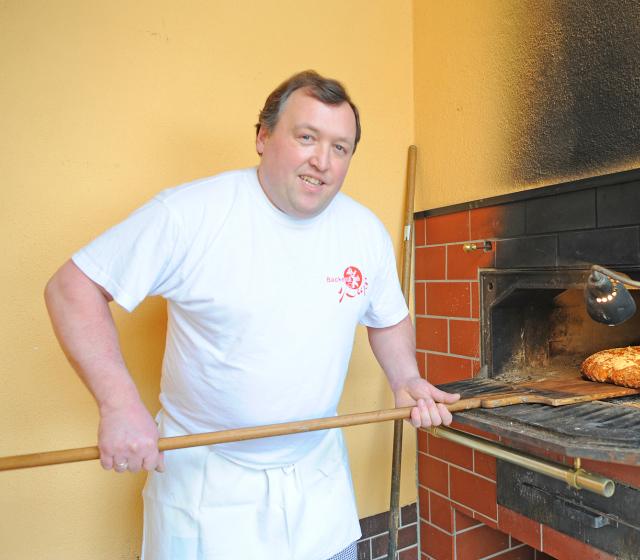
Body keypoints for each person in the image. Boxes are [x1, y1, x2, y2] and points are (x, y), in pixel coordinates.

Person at [44, 70, 459, 560]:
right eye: (307, 137)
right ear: (263, 137)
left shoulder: (362, 231)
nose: (322, 161)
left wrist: (405, 376)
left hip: (316, 485)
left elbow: (386, 317)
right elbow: (73, 287)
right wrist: (119, 405)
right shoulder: (192, 213)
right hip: (207, 490)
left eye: (340, 148)